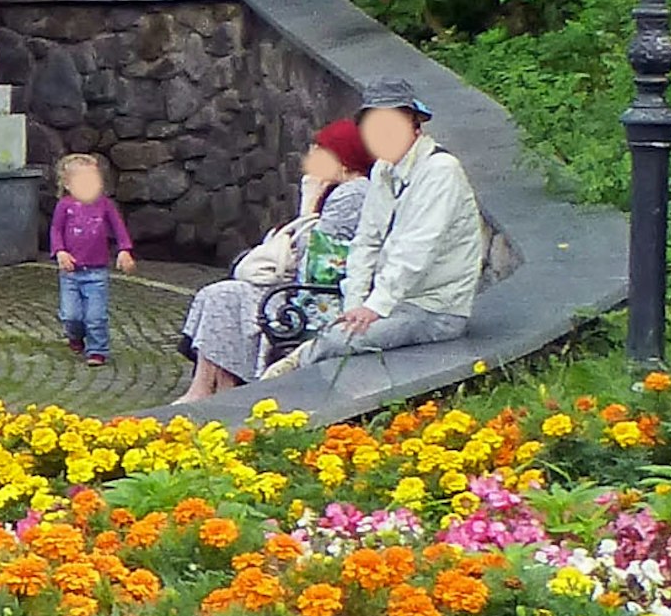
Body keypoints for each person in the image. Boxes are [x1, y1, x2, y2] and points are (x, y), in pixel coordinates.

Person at [267, 93, 489, 383]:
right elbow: (366, 241)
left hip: (435, 310)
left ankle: (282, 382)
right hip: (393, 301)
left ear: (415, 126)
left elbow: (415, 252)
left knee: (338, 342)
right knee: (341, 329)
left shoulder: (441, 172)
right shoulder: (385, 168)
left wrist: (374, 307)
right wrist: (355, 303)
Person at [177, 121, 374, 401]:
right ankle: (211, 386)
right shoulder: (336, 190)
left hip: (318, 298)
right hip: (299, 288)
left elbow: (316, 255)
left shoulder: (354, 193)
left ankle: (215, 390)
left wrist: (307, 204)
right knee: (222, 295)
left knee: (228, 296)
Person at [48, 153, 136, 364]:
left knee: (95, 316)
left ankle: (97, 349)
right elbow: (55, 230)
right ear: (68, 184)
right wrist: (60, 251)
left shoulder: (104, 205)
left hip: (97, 272)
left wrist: (124, 249)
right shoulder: (64, 205)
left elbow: (118, 227)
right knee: (71, 315)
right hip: (70, 272)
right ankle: (75, 335)